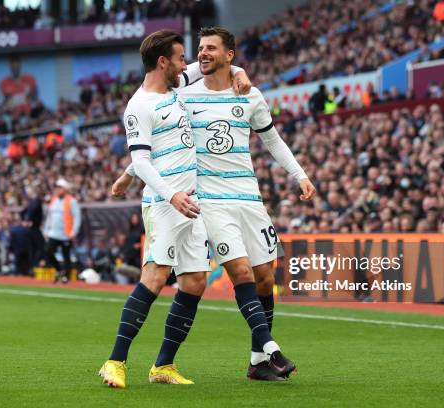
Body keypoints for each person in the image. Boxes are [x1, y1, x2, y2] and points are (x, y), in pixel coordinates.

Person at [115, 26, 315, 381]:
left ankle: (257, 360)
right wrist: (131, 172)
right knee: (239, 271)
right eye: (199, 48)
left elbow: (273, 140)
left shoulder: (250, 95)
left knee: (266, 277)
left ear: (229, 55)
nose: (201, 53)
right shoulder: (184, 95)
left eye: (210, 48)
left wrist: (300, 174)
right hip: (208, 198)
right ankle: (271, 349)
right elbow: (157, 136)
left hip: (248, 196)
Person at [99, 29, 261, 389]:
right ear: (163, 62)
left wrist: (239, 72)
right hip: (165, 204)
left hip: (192, 202)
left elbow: (215, 66)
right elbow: (142, 161)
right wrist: (168, 194)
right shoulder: (138, 106)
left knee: (195, 281)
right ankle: (114, 361)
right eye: (179, 58)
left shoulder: (176, 85)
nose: (186, 64)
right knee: (156, 277)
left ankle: (163, 365)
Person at [43, 178, 81, 283]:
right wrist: (46, 230)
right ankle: (59, 270)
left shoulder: (71, 201)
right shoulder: (54, 200)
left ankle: (66, 276)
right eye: (56, 188)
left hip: (66, 234)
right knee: (48, 251)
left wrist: (74, 231)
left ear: (65, 189)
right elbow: (49, 217)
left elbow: (77, 217)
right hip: (53, 233)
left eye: (59, 187)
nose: (57, 190)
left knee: (66, 256)